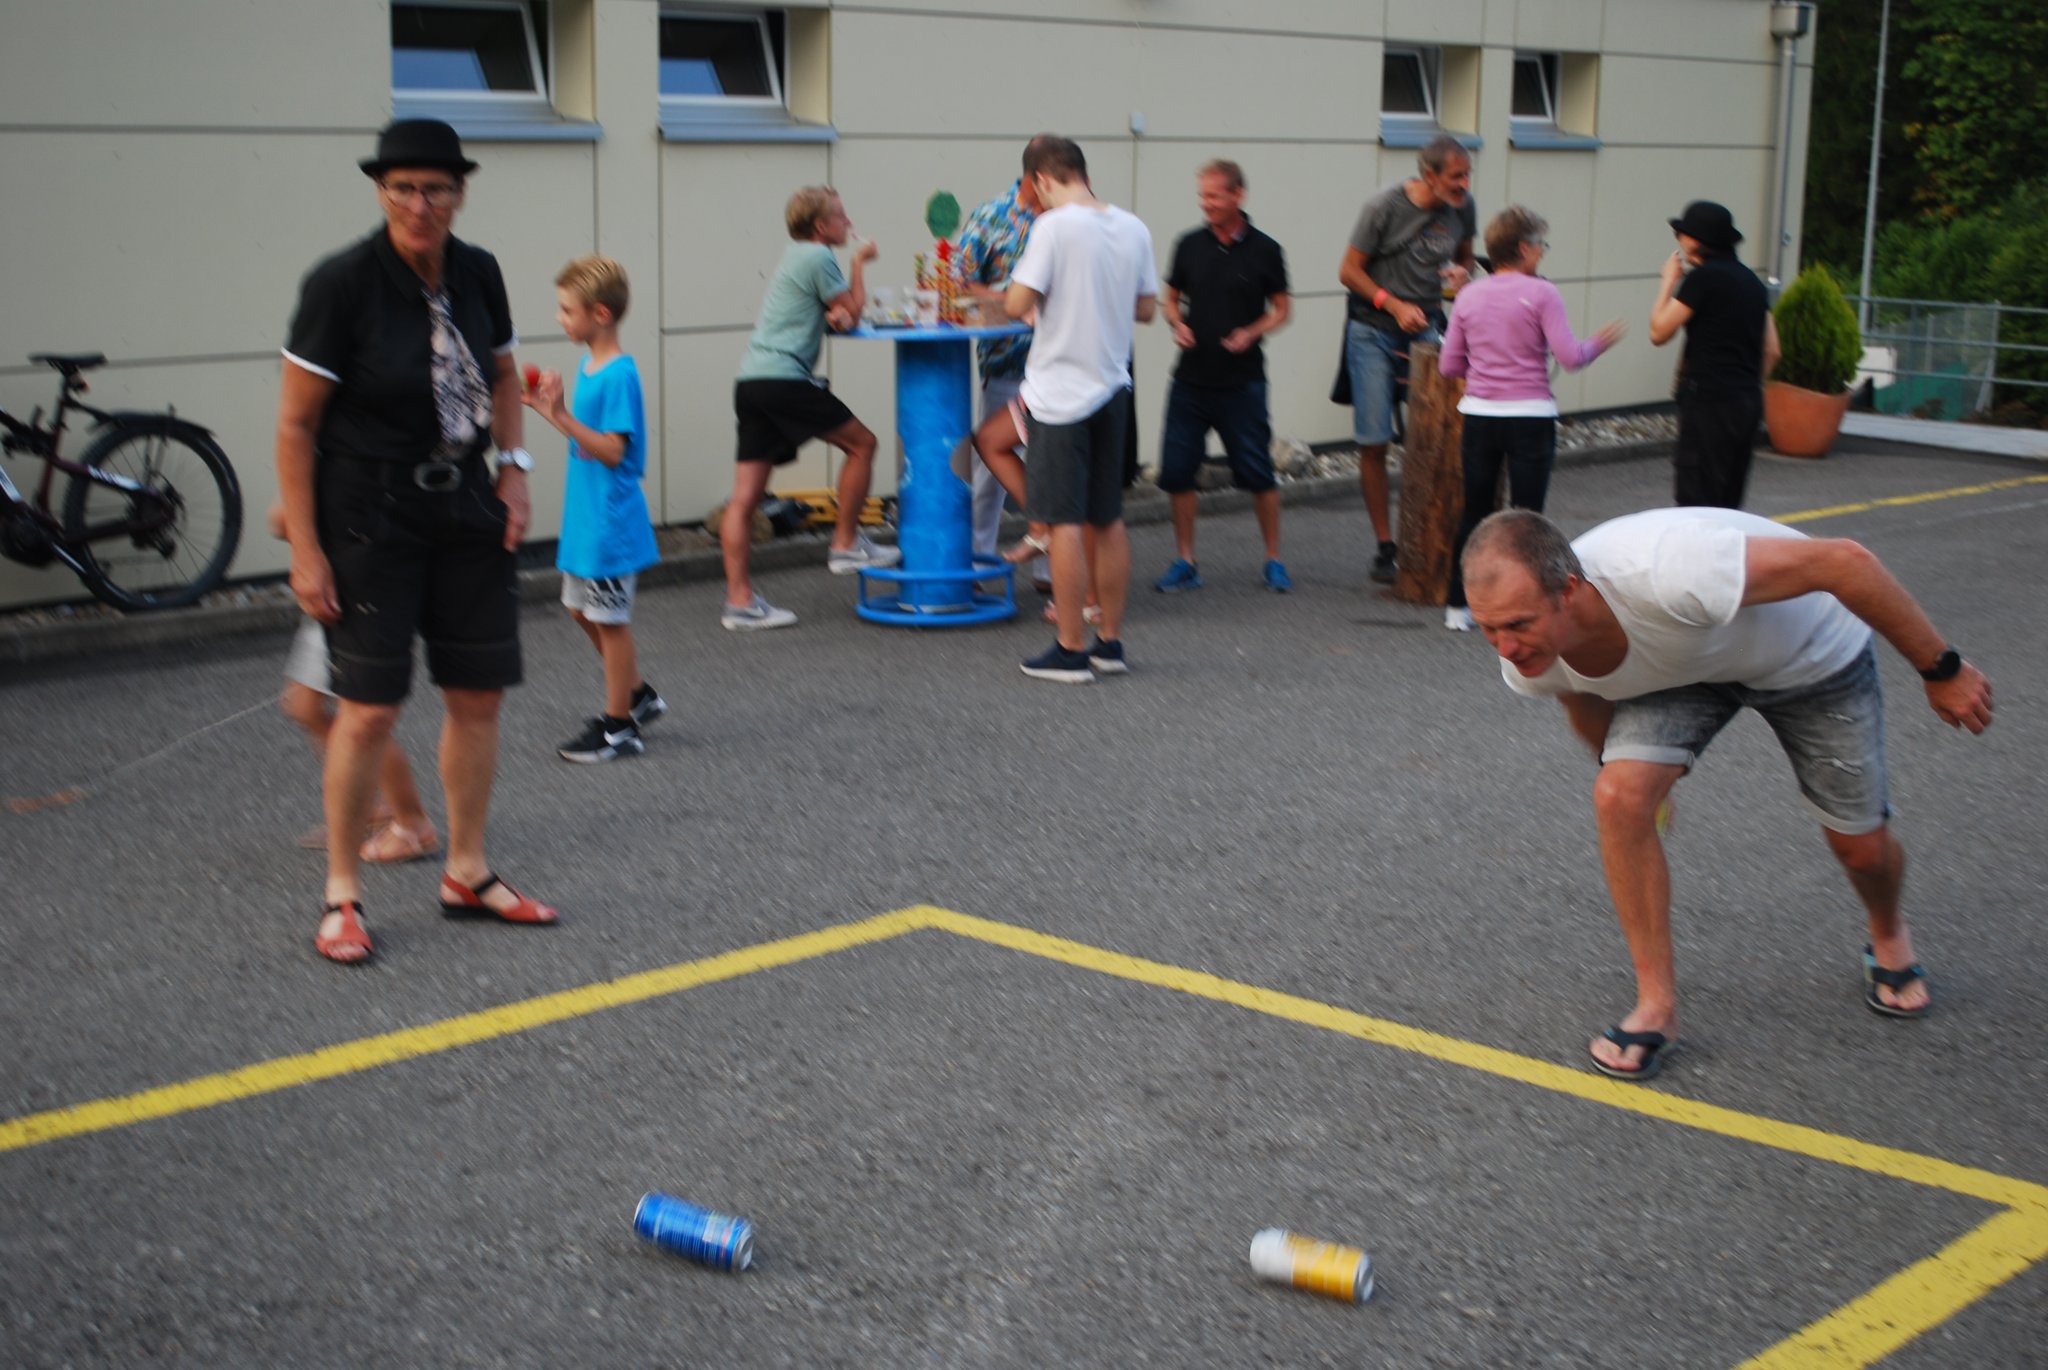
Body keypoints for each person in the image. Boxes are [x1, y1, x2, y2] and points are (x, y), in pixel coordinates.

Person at [1462, 507, 1993, 1081]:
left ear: (1568, 590)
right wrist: (1640, 788)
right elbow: (1583, 696)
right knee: (1618, 798)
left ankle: (1887, 930)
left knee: (1860, 848)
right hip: (1682, 667)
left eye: (1517, 624)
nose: (1505, 648)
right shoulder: (1532, 661)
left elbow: (1845, 562)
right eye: (1488, 629)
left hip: (1806, 655)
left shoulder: (1671, 570)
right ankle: (1657, 1007)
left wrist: (1941, 668)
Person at [276, 119, 558, 964]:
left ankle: (467, 872)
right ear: (381, 192)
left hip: (465, 501)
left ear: (460, 193)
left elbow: (502, 375)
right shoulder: (341, 284)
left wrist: (514, 471)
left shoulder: (478, 271)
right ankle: (342, 895)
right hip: (370, 511)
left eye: (436, 188)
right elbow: (296, 426)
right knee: (368, 708)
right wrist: (306, 550)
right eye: (402, 188)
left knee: (478, 695)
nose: (419, 204)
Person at [1003, 135, 1157, 683]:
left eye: (1035, 189)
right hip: (1113, 387)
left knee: (1063, 521)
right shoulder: (1133, 227)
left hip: (1059, 395)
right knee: (1107, 519)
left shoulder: (1053, 228)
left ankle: (1069, 648)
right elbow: (1146, 309)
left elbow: (1016, 303)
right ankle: (1109, 644)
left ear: (1042, 179)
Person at [1438, 206, 1623, 631]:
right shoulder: (1543, 293)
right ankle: (1524, 606)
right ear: (1523, 248)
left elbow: (1449, 365)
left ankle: (1457, 606)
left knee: (1476, 511)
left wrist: (1484, 368)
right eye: (1541, 245)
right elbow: (1570, 357)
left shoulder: (1468, 295)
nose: (1542, 252)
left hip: (1480, 414)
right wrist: (1600, 342)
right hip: (1531, 415)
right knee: (1527, 517)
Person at [723, 186, 898, 630]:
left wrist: (835, 315)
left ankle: (739, 602)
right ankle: (845, 545)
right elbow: (852, 311)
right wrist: (859, 263)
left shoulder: (794, 257)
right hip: (784, 379)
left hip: (751, 381)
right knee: (862, 444)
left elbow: (835, 316)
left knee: (744, 499)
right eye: (841, 216)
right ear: (821, 226)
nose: (848, 222)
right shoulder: (819, 257)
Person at [523, 254, 665, 764]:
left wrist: (561, 414)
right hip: (586, 521)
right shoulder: (589, 366)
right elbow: (586, 440)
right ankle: (638, 695)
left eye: (567, 310)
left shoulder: (618, 375)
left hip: (610, 524)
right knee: (579, 609)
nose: (560, 318)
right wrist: (551, 412)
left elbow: (612, 451)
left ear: (600, 314)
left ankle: (619, 728)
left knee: (610, 623)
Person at [1339, 134, 1476, 583]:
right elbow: (1348, 271)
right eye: (1456, 176)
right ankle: (1385, 547)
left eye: (1468, 175)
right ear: (1429, 176)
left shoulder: (1463, 207)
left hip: (1429, 329)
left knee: (1438, 436)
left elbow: (1465, 259)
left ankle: (1432, 538)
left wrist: (1462, 275)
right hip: (1373, 330)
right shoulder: (1384, 206)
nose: (1464, 184)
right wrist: (1394, 305)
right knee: (1375, 440)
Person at [269, 501, 438, 863]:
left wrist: (292, 520)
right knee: (307, 707)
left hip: (349, 589)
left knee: (359, 717)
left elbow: (283, 520)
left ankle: (407, 818)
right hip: (334, 587)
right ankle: (374, 806)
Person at [1154, 159, 1293, 595]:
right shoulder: (1188, 244)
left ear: (1238, 195)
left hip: (1242, 383)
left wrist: (1252, 332)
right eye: (1203, 196)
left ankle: (1273, 559)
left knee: (1258, 473)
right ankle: (1186, 561)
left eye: (1214, 196)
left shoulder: (1266, 250)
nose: (1206, 204)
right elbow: (1170, 299)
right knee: (1178, 473)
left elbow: (1282, 309)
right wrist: (1177, 323)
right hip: (1190, 382)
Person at [1649, 200, 1780, 509]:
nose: (1678, 240)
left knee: (1697, 501)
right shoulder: (1752, 282)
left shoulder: (1703, 279)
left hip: (1708, 400)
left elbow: (1659, 332)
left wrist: (1668, 282)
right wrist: (1747, 384)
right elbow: (1773, 349)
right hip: (1746, 401)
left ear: (1695, 241)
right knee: (1728, 501)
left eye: (1681, 234)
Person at [956, 166, 1045, 590]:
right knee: (989, 468)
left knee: (1050, 464)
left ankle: (1052, 571)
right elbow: (960, 281)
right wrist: (1010, 301)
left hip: (1056, 364)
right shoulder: (990, 216)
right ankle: (977, 561)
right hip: (1006, 360)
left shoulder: (1065, 219)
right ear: (1038, 176)